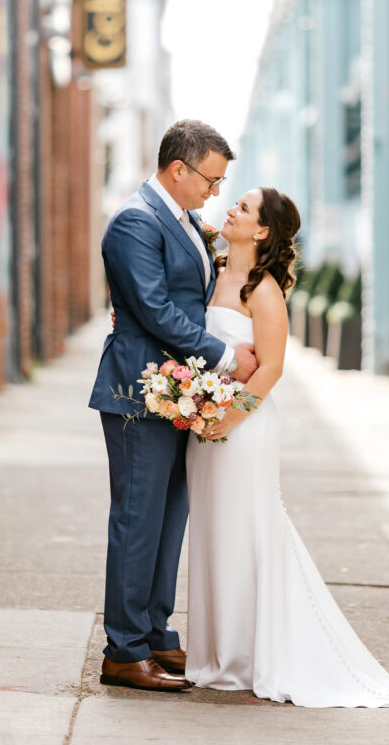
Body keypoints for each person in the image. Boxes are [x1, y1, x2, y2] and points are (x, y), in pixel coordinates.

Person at [185, 186, 389, 709]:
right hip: (206, 428)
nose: (231, 210)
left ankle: (248, 657)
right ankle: (218, 655)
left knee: (248, 530)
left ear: (262, 230)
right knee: (213, 532)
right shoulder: (212, 271)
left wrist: (224, 420)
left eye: (242, 207)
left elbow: (271, 368)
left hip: (241, 430)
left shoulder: (263, 289)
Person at [88, 120, 258, 693]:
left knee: (169, 518)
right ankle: (123, 650)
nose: (216, 193)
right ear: (178, 169)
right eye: (211, 180)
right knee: (138, 519)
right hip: (138, 392)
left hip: (179, 393)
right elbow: (156, 309)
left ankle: (156, 635)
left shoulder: (184, 220)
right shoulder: (136, 222)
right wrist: (226, 356)